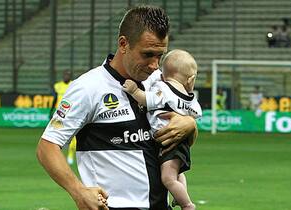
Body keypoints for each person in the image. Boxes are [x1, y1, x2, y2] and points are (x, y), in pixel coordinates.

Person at [36, 6, 198, 210]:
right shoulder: (88, 88)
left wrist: (190, 125)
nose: (155, 65)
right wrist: (78, 191)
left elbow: (182, 141)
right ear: (123, 44)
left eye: (160, 55)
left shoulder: (160, 82)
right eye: (147, 54)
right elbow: (47, 147)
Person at [122, 49, 201, 210]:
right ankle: (181, 195)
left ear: (163, 75)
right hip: (181, 142)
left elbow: (148, 100)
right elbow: (196, 114)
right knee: (178, 173)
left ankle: (187, 205)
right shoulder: (190, 98)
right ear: (191, 79)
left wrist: (134, 91)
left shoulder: (164, 89)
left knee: (168, 178)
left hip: (167, 142)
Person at [50, 70, 77, 165]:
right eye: (65, 75)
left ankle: (70, 154)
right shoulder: (57, 86)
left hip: (70, 113)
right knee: (55, 134)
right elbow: (54, 99)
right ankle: (56, 156)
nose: (66, 77)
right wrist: (51, 110)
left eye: (68, 75)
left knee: (73, 136)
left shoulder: (73, 85)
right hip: (58, 114)